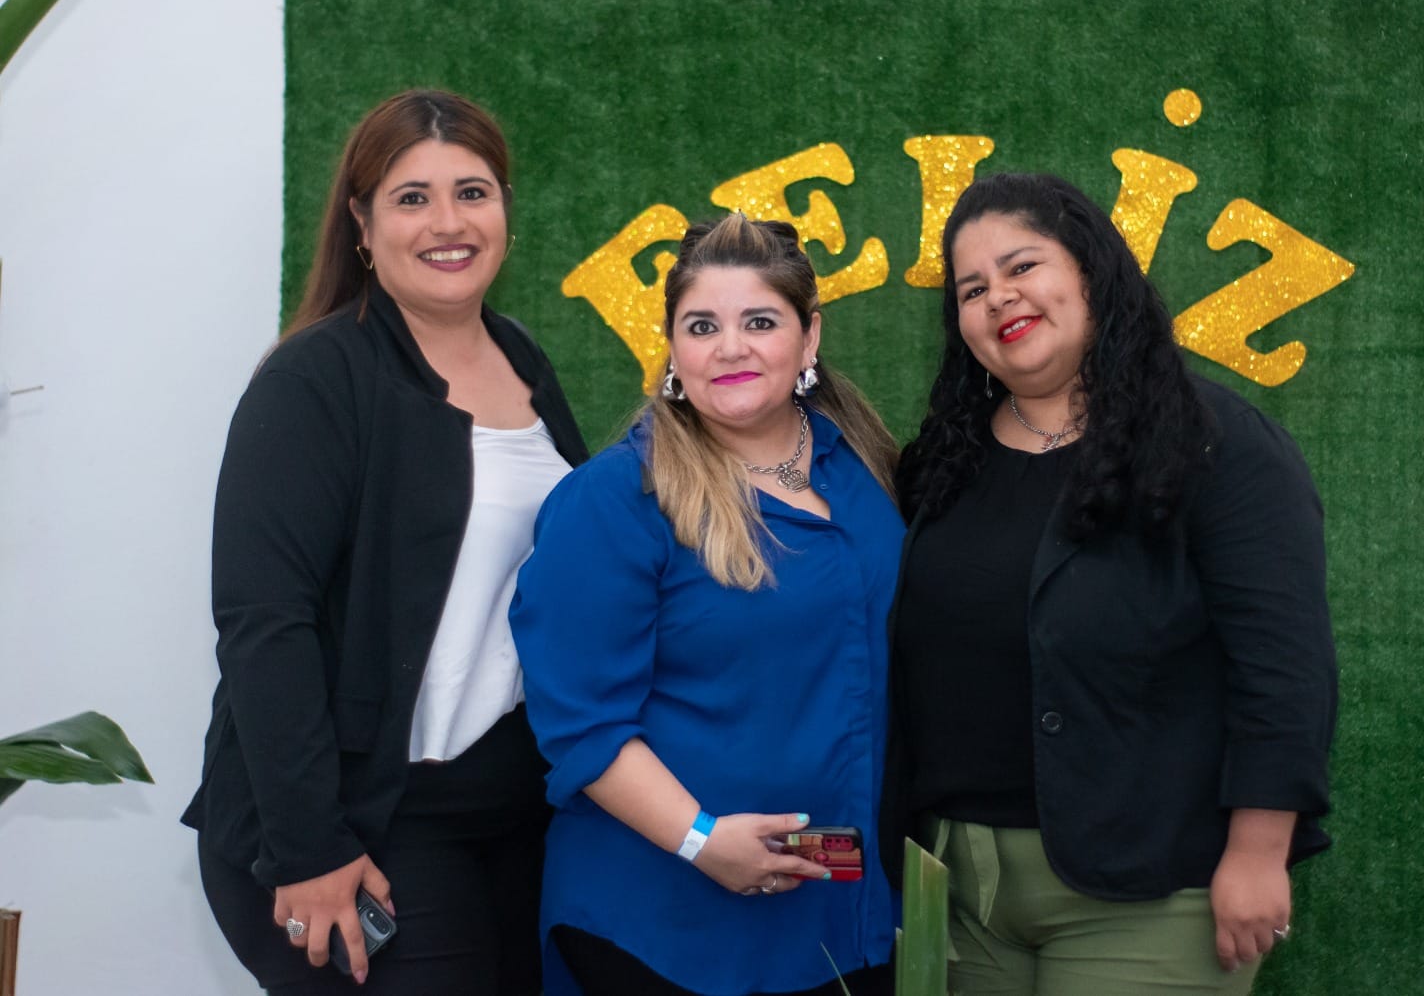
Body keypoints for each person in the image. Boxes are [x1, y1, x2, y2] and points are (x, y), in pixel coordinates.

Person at [882, 172, 1337, 995]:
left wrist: (1258, 852)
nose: (998, 297)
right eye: (972, 289)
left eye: (1023, 266)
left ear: (1092, 270)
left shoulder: (1216, 443)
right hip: (957, 893)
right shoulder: (943, 462)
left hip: (1152, 891)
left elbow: (1285, 667)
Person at [182, 89, 588, 994]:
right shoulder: (314, 379)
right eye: (412, 198)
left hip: (502, 815)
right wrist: (311, 846)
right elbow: (263, 621)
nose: (449, 223)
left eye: (473, 192)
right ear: (362, 226)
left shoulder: (522, 357)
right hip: (354, 824)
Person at [510, 215, 901, 996]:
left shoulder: (863, 471)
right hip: (663, 924)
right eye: (701, 326)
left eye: (760, 322)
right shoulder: (614, 501)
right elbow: (582, 724)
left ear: (809, 337)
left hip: (840, 916)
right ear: (672, 347)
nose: (730, 348)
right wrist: (700, 840)